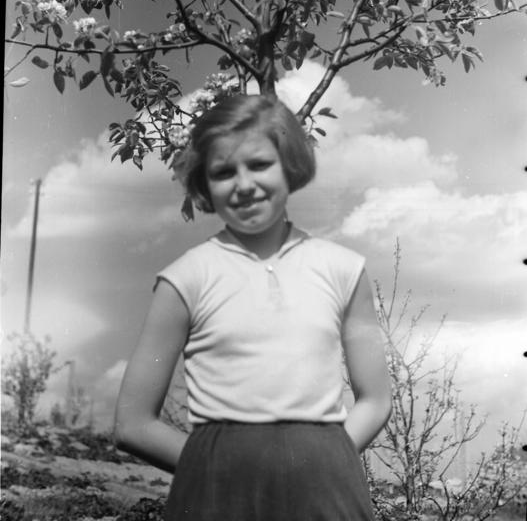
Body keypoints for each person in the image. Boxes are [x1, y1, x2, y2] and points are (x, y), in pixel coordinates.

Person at [114, 93, 392, 521]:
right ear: (204, 184)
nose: (244, 185)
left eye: (260, 164)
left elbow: (375, 399)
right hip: (217, 494)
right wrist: (219, 469)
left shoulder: (344, 270)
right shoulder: (184, 279)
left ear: (290, 166)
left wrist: (319, 463)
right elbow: (132, 424)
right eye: (224, 172)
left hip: (326, 491)